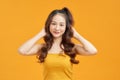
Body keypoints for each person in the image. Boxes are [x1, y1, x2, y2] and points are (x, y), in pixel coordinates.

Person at [18, 7, 98, 80]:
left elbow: (93, 51)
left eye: (61, 25)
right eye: (53, 24)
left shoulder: (71, 48)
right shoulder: (44, 48)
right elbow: (22, 51)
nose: (57, 28)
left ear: (66, 27)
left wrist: (77, 35)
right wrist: (40, 34)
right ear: (48, 25)